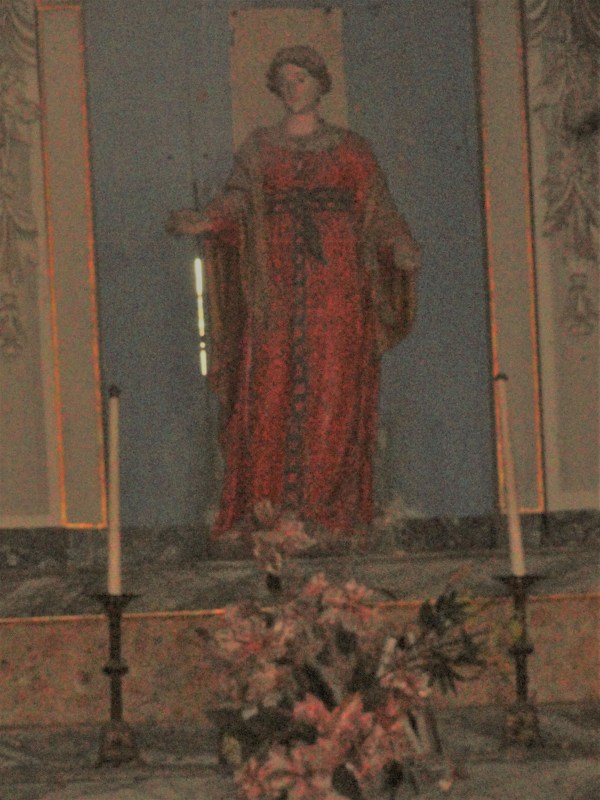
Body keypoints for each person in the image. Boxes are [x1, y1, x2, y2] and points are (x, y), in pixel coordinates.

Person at [167, 45, 420, 548]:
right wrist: (205, 219)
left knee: (335, 390)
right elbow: (237, 200)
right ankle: (266, 511)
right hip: (274, 287)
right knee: (268, 387)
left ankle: (328, 510)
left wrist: (399, 244)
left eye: (300, 77)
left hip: (338, 288)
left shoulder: (352, 150)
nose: (292, 87)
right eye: (283, 79)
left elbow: (378, 211)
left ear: (320, 84)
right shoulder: (260, 149)